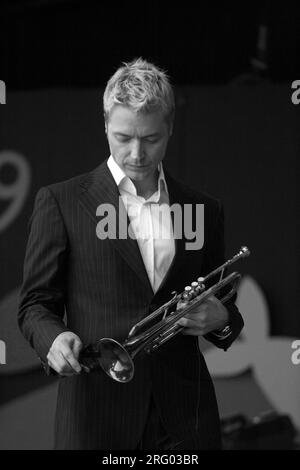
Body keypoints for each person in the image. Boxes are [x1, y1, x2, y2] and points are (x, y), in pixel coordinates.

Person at [18, 58, 244, 450]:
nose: (137, 153)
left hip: (185, 420)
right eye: (124, 137)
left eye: (151, 138)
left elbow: (225, 308)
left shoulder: (204, 209)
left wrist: (220, 317)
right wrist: (53, 340)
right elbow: (35, 304)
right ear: (105, 124)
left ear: (170, 128)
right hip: (96, 414)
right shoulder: (61, 201)